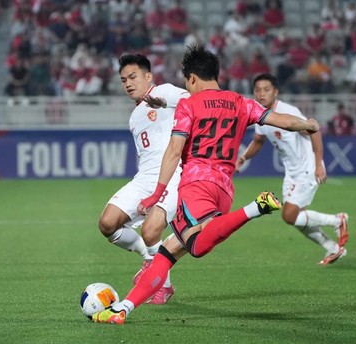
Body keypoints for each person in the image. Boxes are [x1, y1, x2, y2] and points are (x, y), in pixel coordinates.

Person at [92, 44, 320, 324]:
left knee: (197, 245)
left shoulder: (189, 103)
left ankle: (255, 208)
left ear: (191, 79)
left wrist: (158, 194)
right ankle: (123, 309)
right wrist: (307, 123)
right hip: (224, 188)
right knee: (166, 252)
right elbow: (280, 120)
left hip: (196, 183)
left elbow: (174, 151)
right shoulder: (241, 102)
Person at [98, 54, 188, 305]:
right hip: (145, 178)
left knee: (151, 229)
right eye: (123, 79)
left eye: (133, 77)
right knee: (107, 223)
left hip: (173, 175)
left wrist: (167, 104)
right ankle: (149, 260)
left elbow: (196, 102)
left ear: (148, 76)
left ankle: (164, 286)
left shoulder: (165, 92)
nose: (128, 83)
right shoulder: (134, 117)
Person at [236, 73, 349, 266]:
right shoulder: (261, 115)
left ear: (276, 92)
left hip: (307, 168)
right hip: (291, 173)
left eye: (266, 89)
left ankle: (337, 220)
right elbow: (258, 141)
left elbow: (314, 130)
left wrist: (319, 163)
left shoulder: (288, 112)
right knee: (296, 219)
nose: (261, 94)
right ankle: (333, 248)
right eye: (258, 90)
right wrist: (243, 157)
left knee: (289, 215)